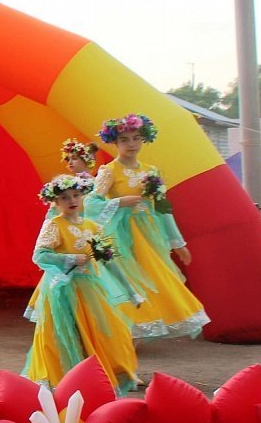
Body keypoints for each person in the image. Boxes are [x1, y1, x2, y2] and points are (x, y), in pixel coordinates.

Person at [91, 113, 208, 340]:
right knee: (128, 280)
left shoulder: (151, 171)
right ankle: (125, 334)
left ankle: (142, 329)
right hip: (121, 236)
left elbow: (162, 209)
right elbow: (91, 202)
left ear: (144, 139)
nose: (131, 144)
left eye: (136, 138)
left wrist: (178, 243)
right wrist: (117, 202)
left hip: (149, 235)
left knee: (155, 279)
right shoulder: (109, 171)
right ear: (114, 142)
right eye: (124, 140)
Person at [24, 174, 141, 394]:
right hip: (64, 290)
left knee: (103, 330)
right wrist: (70, 259)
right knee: (65, 332)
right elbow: (39, 255)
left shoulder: (92, 226)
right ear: (55, 202)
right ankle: (65, 380)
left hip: (90, 289)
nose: (72, 201)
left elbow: (108, 261)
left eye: (76, 195)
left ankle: (102, 376)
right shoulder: (54, 225)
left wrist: (130, 292)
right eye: (65, 197)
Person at [60, 139, 108, 223]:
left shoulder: (98, 182)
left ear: (87, 160)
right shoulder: (67, 184)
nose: (70, 162)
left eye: (74, 158)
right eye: (68, 159)